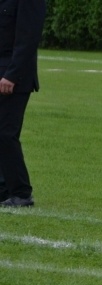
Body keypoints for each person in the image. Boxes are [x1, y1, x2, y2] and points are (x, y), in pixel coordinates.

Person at [0, 0, 46, 208]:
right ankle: (4, 189)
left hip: (14, 78)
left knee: (6, 133)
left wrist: (12, 75)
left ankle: (21, 192)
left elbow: (28, 38)